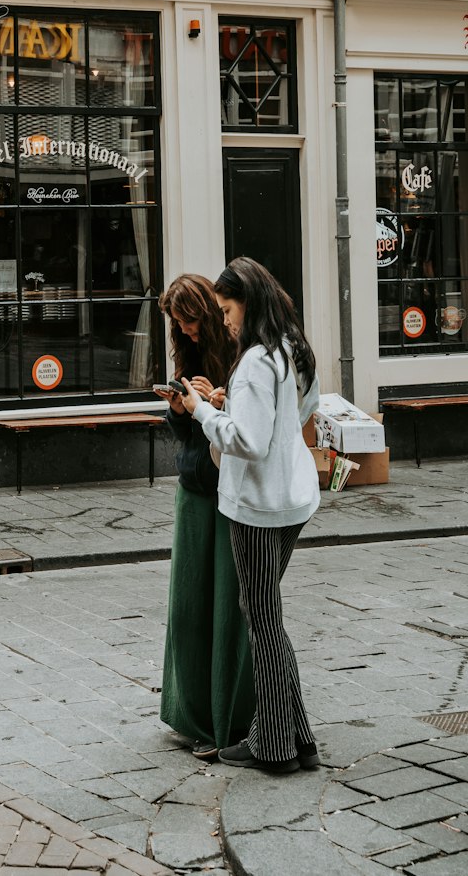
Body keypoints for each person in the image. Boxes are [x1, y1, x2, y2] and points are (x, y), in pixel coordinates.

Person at [179, 257, 321, 775]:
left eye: (227, 308)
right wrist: (235, 410)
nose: (225, 320)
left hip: (259, 505)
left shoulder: (257, 360)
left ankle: (275, 746)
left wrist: (202, 410)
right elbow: (303, 411)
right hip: (293, 497)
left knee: (262, 620)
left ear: (249, 300)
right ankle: (295, 737)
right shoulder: (292, 349)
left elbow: (249, 442)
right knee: (266, 616)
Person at [157, 275, 254, 761]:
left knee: (227, 606)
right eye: (179, 326)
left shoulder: (242, 351)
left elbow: (251, 425)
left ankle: (229, 719)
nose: (187, 333)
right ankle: (189, 712)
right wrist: (180, 408)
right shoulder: (186, 349)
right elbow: (183, 433)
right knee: (189, 604)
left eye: (191, 323)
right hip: (194, 486)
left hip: (230, 490)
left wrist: (217, 400)